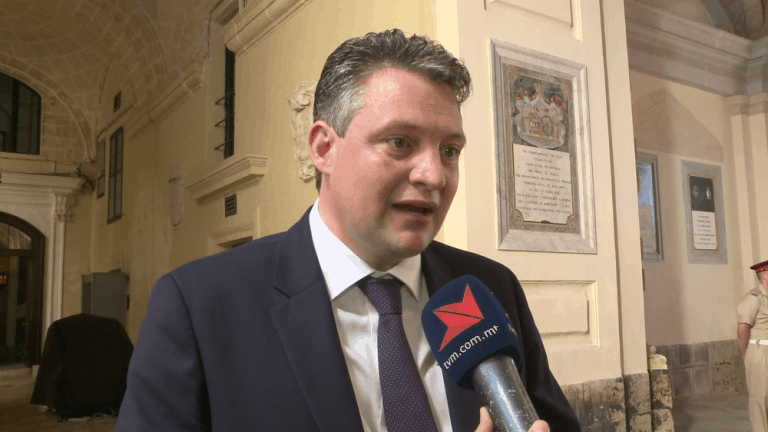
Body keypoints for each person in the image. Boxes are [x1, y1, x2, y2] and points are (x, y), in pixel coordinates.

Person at [116, 29, 579, 432]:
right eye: (400, 142)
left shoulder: (490, 287)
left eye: (450, 151)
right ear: (323, 148)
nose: (435, 176)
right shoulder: (198, 306)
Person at [739, 259, 768, 432]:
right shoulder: (753, 297)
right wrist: (745, 352)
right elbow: (743, 327)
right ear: (764, 276)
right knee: (759, 397)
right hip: (759, 350)